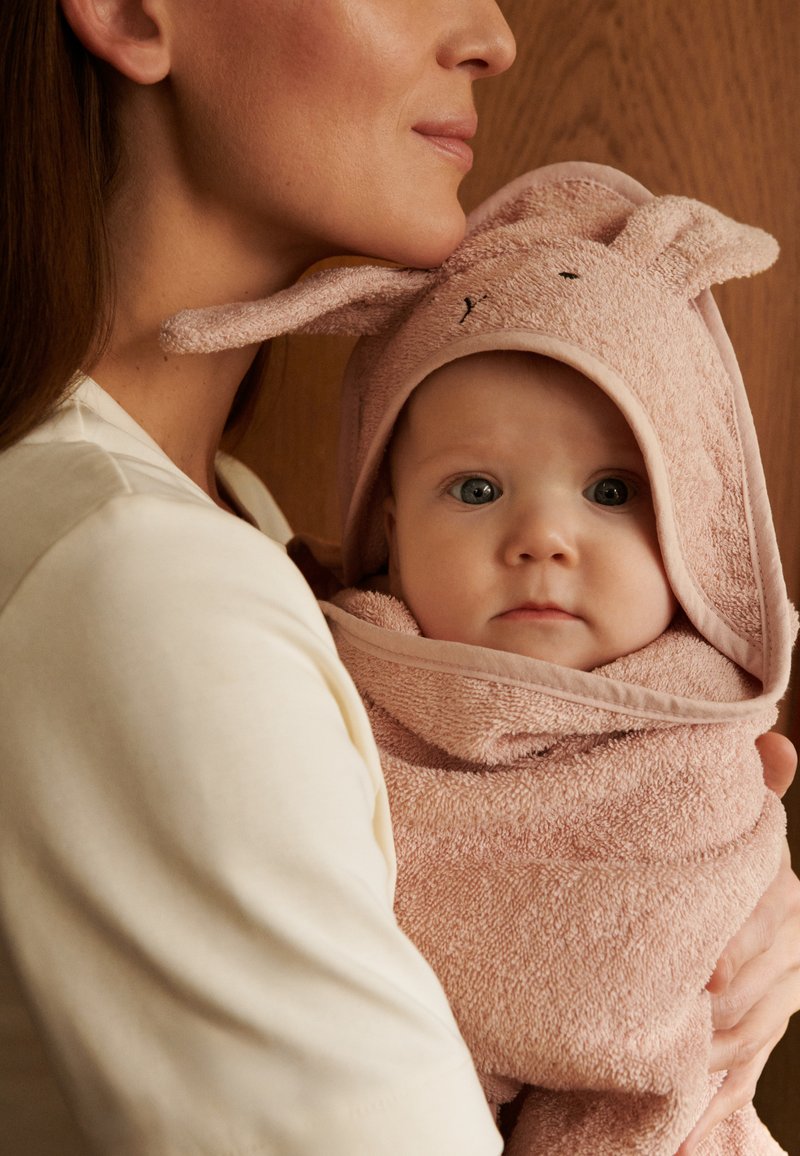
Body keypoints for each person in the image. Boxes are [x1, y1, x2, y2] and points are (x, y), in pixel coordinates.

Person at [0, 0, 796, 1146]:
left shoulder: (232, 526)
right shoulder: (139, 585)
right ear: (131, 12)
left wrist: (702, 889)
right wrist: (659, 1006)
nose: (491, 35)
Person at [166, 161, 800, 1154]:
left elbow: (707, 980)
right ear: (389, 524)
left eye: (610, 491)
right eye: (474, 490)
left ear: (691, 525)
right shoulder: (320, 678)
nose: (542, 538)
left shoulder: (707, 730)